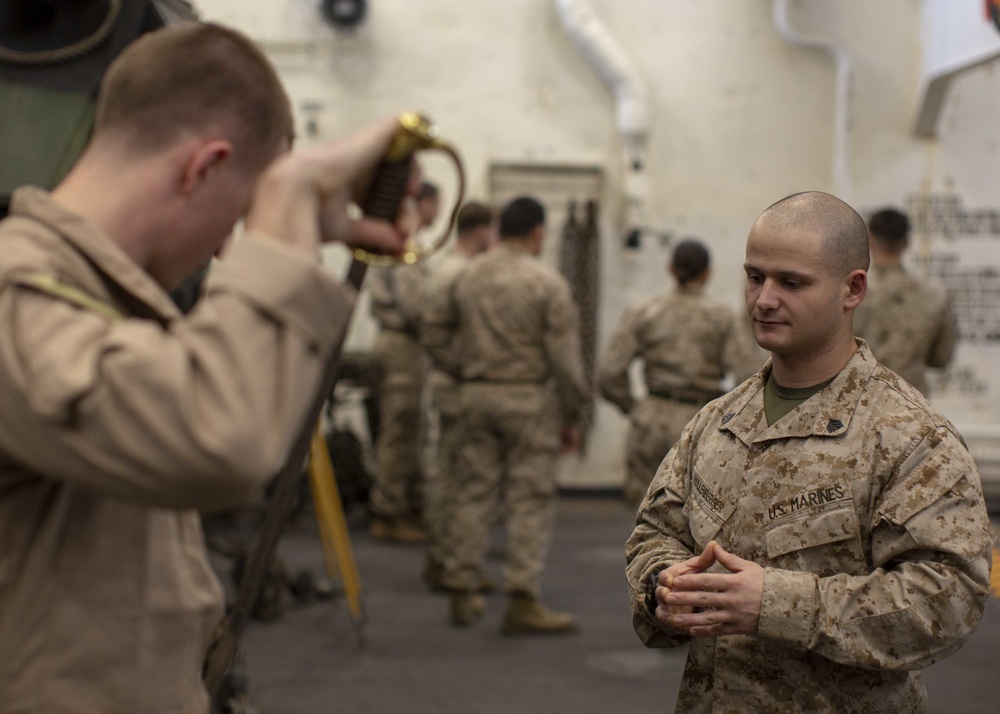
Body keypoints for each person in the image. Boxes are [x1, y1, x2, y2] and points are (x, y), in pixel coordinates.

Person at [0, 23, 415, 714]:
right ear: (202, 168)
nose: (228, 249)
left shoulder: (101, 302)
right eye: (238, 215)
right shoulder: (18, 292)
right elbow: (218, 439)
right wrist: (282, 224)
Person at [625, 191, 993, 713]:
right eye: (755, 277)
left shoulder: (909, 436)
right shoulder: (718, 420)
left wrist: (774, 604)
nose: (763, 300)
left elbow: (949, 598)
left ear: (852, 290)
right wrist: (664, 585)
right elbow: (656, 531)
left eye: (791, 283)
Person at [424, 196, 588, 634]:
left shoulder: (467, 274)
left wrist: (461, 369)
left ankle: (462, 588)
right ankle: (522, 597)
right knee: (528, 499)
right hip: (529, 402)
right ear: (537, 232)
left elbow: (433, 329)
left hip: (475, 396)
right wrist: (573, 417)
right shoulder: (546, 283)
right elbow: (565, 361)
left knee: (471, 491)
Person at [598, 238, 757, 507]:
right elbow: (748, 376)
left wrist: (635, 408)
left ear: (670, 268)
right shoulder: (721, 317)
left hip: (651, 419)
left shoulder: (646, 312)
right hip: (700, 421)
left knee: (645, 513)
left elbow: (608, 372)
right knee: (697, 512)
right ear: (707, 273)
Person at [420, 200, 496, 591]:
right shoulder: (458, 273)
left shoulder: (447, 268)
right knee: (458, 478)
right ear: (482, 230)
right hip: (457, 387)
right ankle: (451, 563)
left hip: (453, 384)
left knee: (449, 474)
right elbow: (433, 333)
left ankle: (442, 559)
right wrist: (463, 368)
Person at [366, 180, 441, 543]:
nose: (439, 214)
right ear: (424, 204)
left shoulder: (403, 241)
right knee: (401, 431)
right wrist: (442, 324)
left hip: (400, 345)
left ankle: (404, 508)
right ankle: (388, 513)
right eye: (436, 205)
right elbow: (415, 306)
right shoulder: (406, 244)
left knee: (408, 429)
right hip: (402, 346)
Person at [854, 207, 958, 396]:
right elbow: (941, 358)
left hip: (856, 401)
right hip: (912, 407)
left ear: (869, 240)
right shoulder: (935, 297)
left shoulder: (850, 292)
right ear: (906, 242)